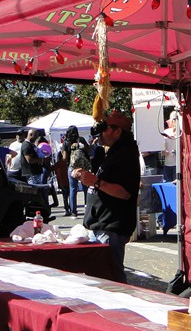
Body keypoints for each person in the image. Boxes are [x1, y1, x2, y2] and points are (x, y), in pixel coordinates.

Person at [72, 109, 141, 282]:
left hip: (111, 228)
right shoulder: (113, 152)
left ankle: (120, 308)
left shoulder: (125, 154)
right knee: (102, 277)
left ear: (117, 131)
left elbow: (125, 193)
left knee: (111, 278)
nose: (100, 133)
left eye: (104, 128)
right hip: (102, 226)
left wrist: (96, 182)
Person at [59, 125, 92, 217]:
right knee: (86, 188)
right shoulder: (81, 139)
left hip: (72, 167)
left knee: (73, 189)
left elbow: (65, 158)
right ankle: (87, 207)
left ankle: (73, 211)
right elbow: (88, 150)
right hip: (83, 167)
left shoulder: (66, 143)